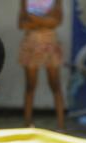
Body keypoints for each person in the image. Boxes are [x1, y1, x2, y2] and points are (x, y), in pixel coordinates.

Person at [18, 0, 66, 130]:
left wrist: (33, 19)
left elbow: (57, 21)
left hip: (50, 44)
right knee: (30, 86)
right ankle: (27, 125)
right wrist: (46, 20)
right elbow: (21, 24)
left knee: (55, 84)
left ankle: (60, 126)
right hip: (31, 45)